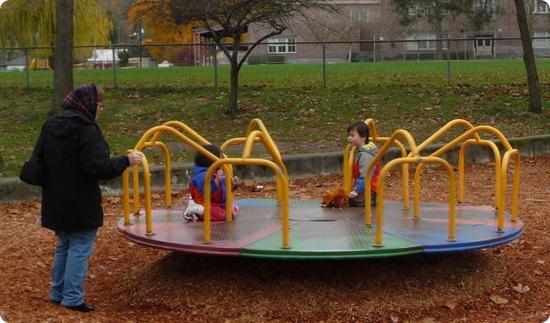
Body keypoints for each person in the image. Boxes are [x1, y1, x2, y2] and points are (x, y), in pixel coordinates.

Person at [37, 84, 142, 312]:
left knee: (65, 244)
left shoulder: (51, 124)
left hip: (55, 198)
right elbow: (99, 168)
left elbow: (39, 157)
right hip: (81, 199)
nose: (101, 109)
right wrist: (125, 161)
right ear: (90, 105)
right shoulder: (87, 130)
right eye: (100, 104)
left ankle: (58, 292)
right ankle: (72, 297)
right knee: (80, 246)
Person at [184, 144, 239, 222]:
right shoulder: (202, 175)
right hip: (204, 202)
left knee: (231, 209)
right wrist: (215, 182)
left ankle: (199, 211)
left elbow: (222, 189)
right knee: (220, 214)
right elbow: (205, 191)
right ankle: (197, 209)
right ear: (211, 159)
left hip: (216, 202)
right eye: (219, 158)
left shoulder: (217, 171)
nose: (222, 160)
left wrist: (232, 185)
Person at [347, 121, 381, 207]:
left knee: (350, 200)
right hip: (366, 188)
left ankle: (371, 200)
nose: (349, 138)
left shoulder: (366, 155)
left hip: (370, 189)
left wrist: (356, 191)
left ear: (363, 137)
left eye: (352, 136)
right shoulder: (361, 151)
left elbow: (366, 175)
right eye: (349, 135)